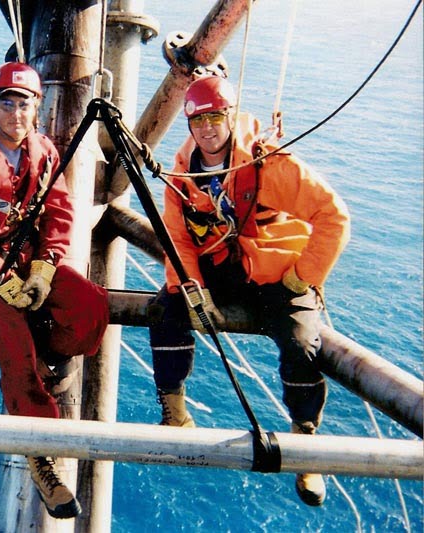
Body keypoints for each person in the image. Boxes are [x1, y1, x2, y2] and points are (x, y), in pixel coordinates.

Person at [149, 75, 350, 506]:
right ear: (189, 124)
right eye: (198, 121)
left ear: (231, 116)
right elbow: (178, 237)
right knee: (166, 310)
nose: (207, 129)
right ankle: (175, 413)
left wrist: (303, 277)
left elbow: (333, 216)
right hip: (223, 271)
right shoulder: (182, 173)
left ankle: (305, 442)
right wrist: (192, 289)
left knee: (301, 343)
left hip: (279, 275)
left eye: (215, 118)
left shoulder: (268, 164)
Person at [0, 61, 109, 519]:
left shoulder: (43, 151)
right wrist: (0, 277)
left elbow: (59, 211)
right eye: (7, 104)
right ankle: (41, 454)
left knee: (90, 306)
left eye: (24, 104)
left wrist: (44, 268)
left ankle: (46, 357)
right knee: (16, 353)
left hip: (29, 261)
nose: (16, 114)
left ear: (37, 107)